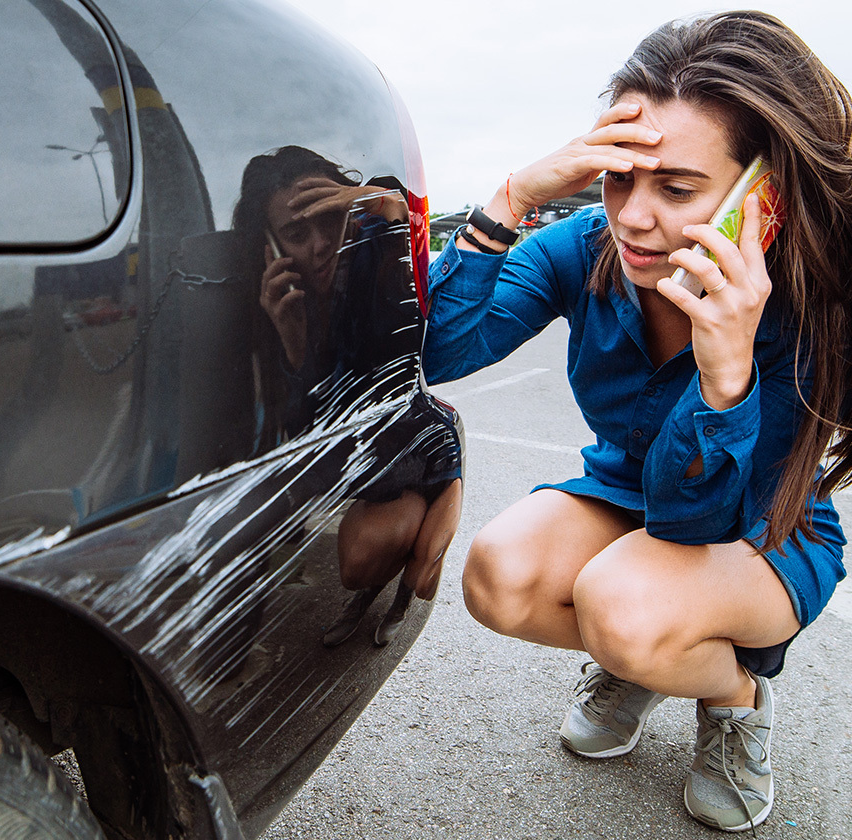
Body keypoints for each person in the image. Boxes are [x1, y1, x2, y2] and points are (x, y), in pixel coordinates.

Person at [423, 11, 850, 832]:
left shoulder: (811, 303)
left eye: (678, 188)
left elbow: (699, 519)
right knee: (497, 576)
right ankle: (650, 659)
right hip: (628, 495)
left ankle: (734, 697)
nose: (633, 217)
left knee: (627, 610)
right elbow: (440, 348)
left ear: (764, 199)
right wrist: (512, 199)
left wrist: (726, 374)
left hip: (764, 532)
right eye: (618, 176)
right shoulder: (584, 246)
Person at [234, 146, 463, 647]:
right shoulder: (263, 306)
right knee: (359, 565)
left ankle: (396, 606)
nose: (321, 246)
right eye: (297, 233)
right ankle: (359, 606)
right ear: (267, 245)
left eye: (331, 219)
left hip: (421, 448)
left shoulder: (371, 272)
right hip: (368, 456)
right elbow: (300, 432)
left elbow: (395, 352)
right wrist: (292, 343)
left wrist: (382, 203)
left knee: (420, 577)